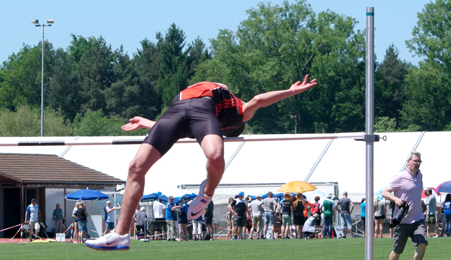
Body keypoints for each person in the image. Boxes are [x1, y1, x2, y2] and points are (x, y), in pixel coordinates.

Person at [85, 76, 318, 250]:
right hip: (176, 110)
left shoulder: (238, 110)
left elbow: (258, 99)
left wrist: (290, 91)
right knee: (136, 166)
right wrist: (146, 122)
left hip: (201, 109)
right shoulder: (211, 100)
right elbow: (174, 127)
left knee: (215, 156)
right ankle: (120, 234)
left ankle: (206, 194)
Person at [381, 152, 427, 260]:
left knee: (422, 243)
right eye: (415, 161)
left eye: (419, 161)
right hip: (402, 220)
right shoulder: (400, 177)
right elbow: (385, 192)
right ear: (408, 161)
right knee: (397, 250)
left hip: (418, 218)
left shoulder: (420, 176)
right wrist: (396, 199)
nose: (417, 163)